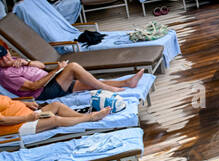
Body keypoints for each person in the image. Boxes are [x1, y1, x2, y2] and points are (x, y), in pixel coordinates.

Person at [0, 44, 145, 98]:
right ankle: (109, 89)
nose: (6, 59)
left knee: (91, 83)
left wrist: (27, 62)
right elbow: (33, 86)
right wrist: (57, 70)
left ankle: (127, 82)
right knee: (73, 67)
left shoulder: (13, 60)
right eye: (1, 59)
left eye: (5, 54)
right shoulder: (5, 74)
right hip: (43, 92)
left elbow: (41, 65)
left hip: (52, 82)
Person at [0, 93, 113, 139]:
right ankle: (90, 117)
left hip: (29, 115)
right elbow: (2, 120)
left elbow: (8, 103)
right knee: (54, 120)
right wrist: (26, 118)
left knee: (56, 105)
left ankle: (80, 116)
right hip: (18, 126)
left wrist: (26, 104)